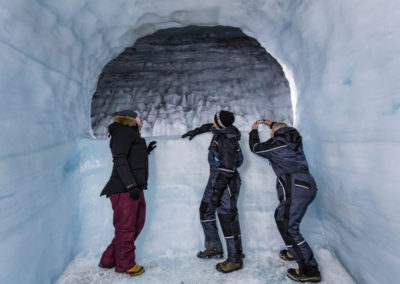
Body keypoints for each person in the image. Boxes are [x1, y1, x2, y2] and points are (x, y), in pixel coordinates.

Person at [249, 119, 321, 283]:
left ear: (275, 133)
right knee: (283, 219)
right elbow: (282, 129)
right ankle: (295, 251)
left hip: (295, 185)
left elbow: (255, 148)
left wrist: (254, 131)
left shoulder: (278, 143)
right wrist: (273, 124)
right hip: (305, 185)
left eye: (272, 132)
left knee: (289, 226)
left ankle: (310, 269)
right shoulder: (294, 140)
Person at [182, 110, 244, 273]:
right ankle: (214, 248)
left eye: (215, 119)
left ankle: (235, 259)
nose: (212, 121)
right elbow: (212, 126)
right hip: (215, 179)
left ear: (220, 123)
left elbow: (227, 170)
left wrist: (217, 193)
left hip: (226, 183)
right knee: (206, 210)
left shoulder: (226, 142)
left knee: (227, 219)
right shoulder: (221, 130)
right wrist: (197, 130)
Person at [98, 110, 157, 277]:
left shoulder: (128, 134)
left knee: (137, 223)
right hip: (124, 188)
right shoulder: (122, 133)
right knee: (126, 228)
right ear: (129, 119)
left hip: (133, 187)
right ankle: (125, 264)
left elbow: (130, 156)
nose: (140, 119)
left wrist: (145, 151)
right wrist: (130, 185)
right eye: (138, 117)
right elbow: (120, 159)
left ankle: (109, 258)